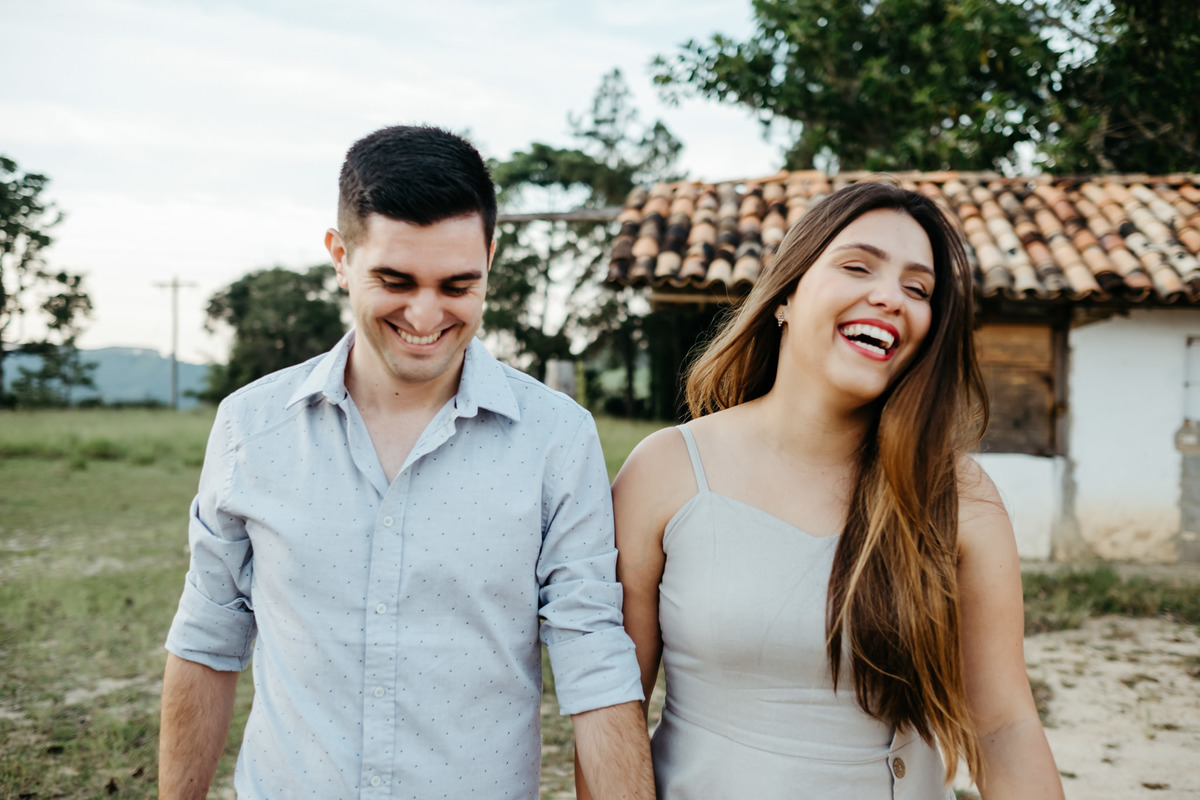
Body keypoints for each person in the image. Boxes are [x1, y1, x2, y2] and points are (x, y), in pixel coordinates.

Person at [158, 125, 653, 800]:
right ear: (339, 256)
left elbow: (593, 658)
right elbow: (207, 639)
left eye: (457, 285)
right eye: (394, 280)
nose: (425, 316)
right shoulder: (250, 427)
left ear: (490, 258)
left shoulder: (557, 440)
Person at [614, 181, 1064, 799]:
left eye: (918, 289)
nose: (889, 298)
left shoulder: (957, 495)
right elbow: (614, 714)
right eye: (857, 266)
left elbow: (1004, 727)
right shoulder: (664, 470)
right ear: (786, 297)